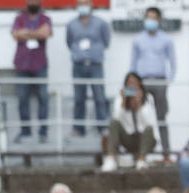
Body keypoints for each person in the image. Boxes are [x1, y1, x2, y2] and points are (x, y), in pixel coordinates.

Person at [130, 6, 177, 158]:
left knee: (161, 118)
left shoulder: (166, 39)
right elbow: (133, 63)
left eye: (153, 18)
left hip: (160, 81)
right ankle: (138, 154)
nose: (150, 21)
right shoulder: (137, 39)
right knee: (137, 116)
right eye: (147, 18)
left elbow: (173, 62)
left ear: (159, 20)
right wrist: (132, 83)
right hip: (141, 82)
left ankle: (166, 154)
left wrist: (169, 80)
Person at [66, 0, 111, 137]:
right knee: (79, 98)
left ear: (91, 5)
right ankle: (78, 129)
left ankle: (102, 127)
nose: (83, 6)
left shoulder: (101, 23)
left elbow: (106, 41)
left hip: (95, 65)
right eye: (81, 3)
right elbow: (69, 42)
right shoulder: (71, 24)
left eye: (86, 3)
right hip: (78, 65)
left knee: (99, 96)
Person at [11, 0, 54, 142]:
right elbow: (16, 34)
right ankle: (25, 131)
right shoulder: (19, 18)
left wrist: (27, 32)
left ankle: (43, 132)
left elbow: (45, 33)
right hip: (22, 65)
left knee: (43, 98)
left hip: (40, 64)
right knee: (22, 99)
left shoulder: (45, 18)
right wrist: (37, 32)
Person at [103, 72, 157, 171]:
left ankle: (141, 161)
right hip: (127, 138)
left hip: (143, 139)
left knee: (149, 129)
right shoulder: (120, 98)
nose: (132, 86)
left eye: (134, 83)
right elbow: (116, 119)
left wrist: (139, 105)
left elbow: (149, 124)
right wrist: (123, 102)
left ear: (140, 85)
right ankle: (110, 159)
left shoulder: (148, 98)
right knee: (113, 122)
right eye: (129, 83)